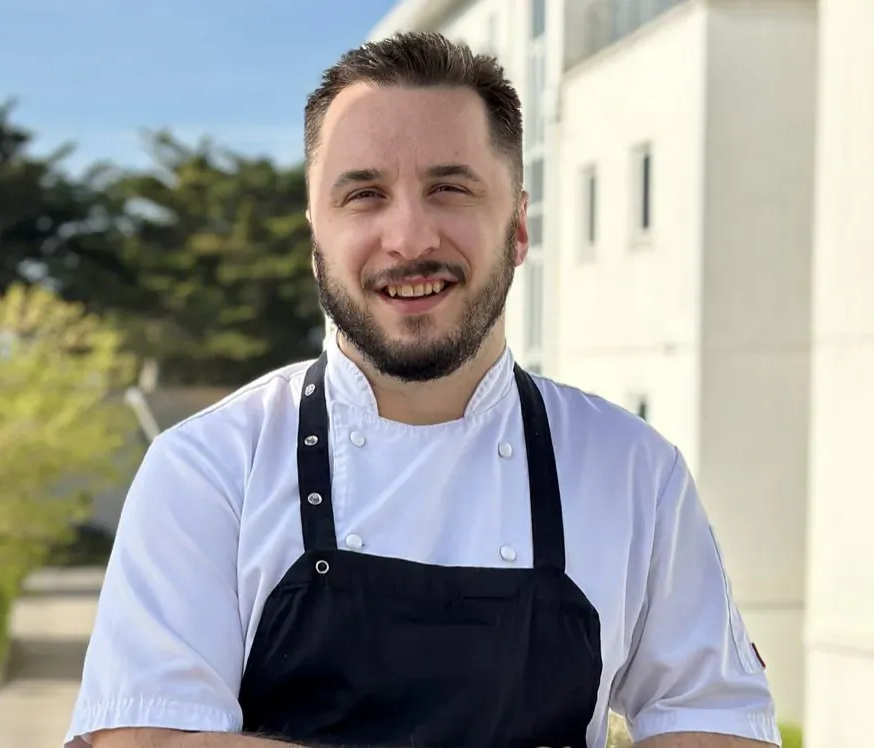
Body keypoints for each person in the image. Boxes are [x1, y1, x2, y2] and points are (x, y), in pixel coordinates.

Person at [65, 31, 781, 748]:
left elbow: (717, 724)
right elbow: (144, 740)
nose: (408, 236)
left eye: (449, 188)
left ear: (520, 225)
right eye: (365, 195)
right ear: (316, 239)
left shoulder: (632, 470)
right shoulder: (210, 468)